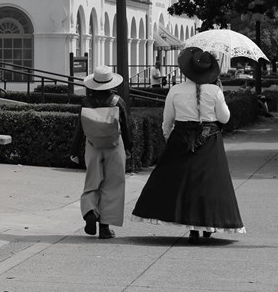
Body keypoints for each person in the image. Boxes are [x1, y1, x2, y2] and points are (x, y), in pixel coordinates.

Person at [132, 47, 245, 245]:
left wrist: (169, 137)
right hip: (210, 139)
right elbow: (224, 118)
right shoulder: (215, 90)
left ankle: (192, 228)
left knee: (182, 185)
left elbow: (167, 120)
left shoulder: (176, 91)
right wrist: (218, 92)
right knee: (210, 184)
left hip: (181, 139)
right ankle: (207, 224)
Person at [70, 65, 133, 239]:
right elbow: (126, 127)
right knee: (113, 185)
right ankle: (104, 227)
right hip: (114, 145)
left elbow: (79, 129)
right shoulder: (117, 101)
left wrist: (74, 150)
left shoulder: (86, 103)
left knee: (92, 182)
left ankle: (90, 212)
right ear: (110, 83)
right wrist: (129, 147)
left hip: (92, 145)